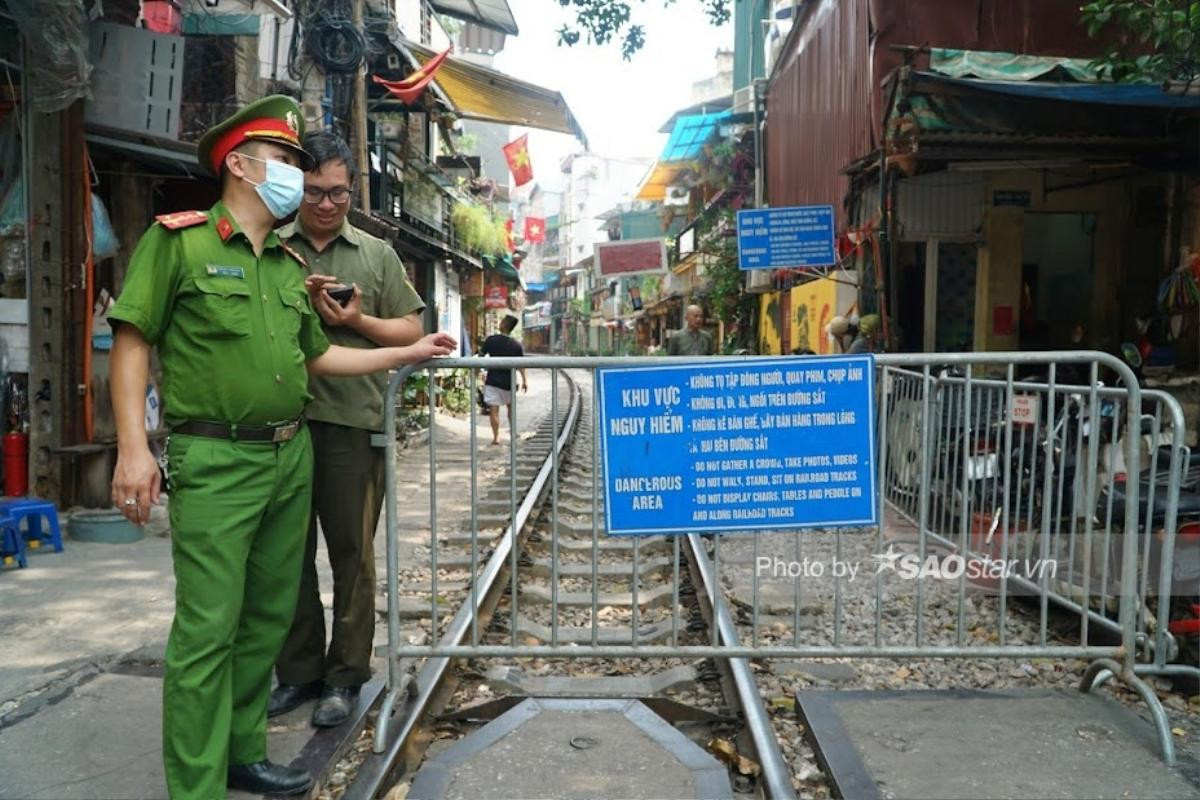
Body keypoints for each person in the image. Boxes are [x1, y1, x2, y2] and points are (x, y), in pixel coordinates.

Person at [107, 95, 455, 800]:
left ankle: (241, 752)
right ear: (240, 164)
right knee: (208, 630)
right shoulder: (180, 243)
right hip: (215, 459)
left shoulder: (285, 266)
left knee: (265, 621)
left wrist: (407, 350)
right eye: (288, 161)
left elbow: (319, 358)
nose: (297, 175)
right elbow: (133, 338)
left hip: (288, 457)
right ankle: (197, 786)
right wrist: (133, 449)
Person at [267, 132, 427, 729]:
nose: (326, 203)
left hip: (353, 427)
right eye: (313, 191)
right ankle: (299, 672)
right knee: (288, 558)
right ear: (296, 189)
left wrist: (355, 318)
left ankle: (344, 677)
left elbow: (412, 333)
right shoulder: (274, 247)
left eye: (337, 192)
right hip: (281, 422)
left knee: (352, 559)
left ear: (352, 190)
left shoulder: (377, 254)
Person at [480, 314, 528, 445]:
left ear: (503, 325)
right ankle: (513, 432)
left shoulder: (491, 340)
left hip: (493, 380)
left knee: (494, 410)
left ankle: (496, 437)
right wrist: (524, 381)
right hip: (509, 382)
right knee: (511, 409)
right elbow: (521, 366)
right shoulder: (516, 345)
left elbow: (481, 356)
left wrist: (478, 371)